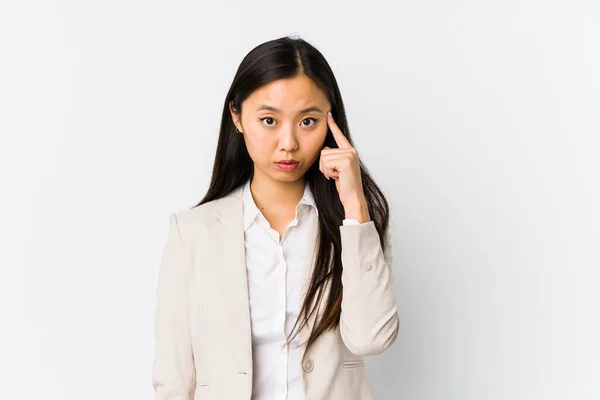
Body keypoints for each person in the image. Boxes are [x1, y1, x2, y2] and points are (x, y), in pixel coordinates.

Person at [152, 36, 400, 400]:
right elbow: (173, 379)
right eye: (269, 119)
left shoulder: (354, 224)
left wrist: (356, 210)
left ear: (331, 122)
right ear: (237, 116)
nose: (288, 142)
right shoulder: (193, 233)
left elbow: (371, 337)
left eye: (308, 121)